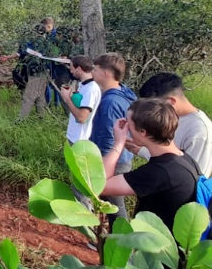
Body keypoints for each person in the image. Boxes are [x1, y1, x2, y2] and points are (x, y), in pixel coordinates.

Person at [101, 99, 198, 232]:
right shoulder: (186, 160)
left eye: (129, 124)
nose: (126, 128)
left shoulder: (159, 172)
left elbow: (102, 186)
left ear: (143, 132)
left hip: (156, 250)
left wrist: (118, 144)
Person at [90, 52, 137, 222]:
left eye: (95, 69)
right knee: (112, 203)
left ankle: (122, 242)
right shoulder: (124, 93)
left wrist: (102, 163)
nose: (92, 72)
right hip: (122, 157)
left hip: (114, 161)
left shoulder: (110, 102)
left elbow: (108, 137)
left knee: (115, 205)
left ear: (106, 73)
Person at [136, 72, 212, 176]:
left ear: (171, 101)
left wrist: (142, 151)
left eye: (155, 105)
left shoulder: (200, 131)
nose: (152, 110)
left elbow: (192, 176)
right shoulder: (169, 118)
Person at [0, 17, 57, 119]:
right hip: (40, 71)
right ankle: (41, 116)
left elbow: (23, 53)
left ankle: (22, 119)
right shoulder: (45, 43)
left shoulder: (39, 42)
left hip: (36, 72)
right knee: (40, 95)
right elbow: (22, 52)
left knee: (30, 96)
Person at [61, 55, 102, 145]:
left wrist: (67, 99)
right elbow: (80, 104)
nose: (70, 71)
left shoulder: (91, 89)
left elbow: (81, 118)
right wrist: (71, 96)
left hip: (80, 139)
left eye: (71, 68)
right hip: (73, 135)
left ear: (79, 68)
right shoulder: (83, 85)